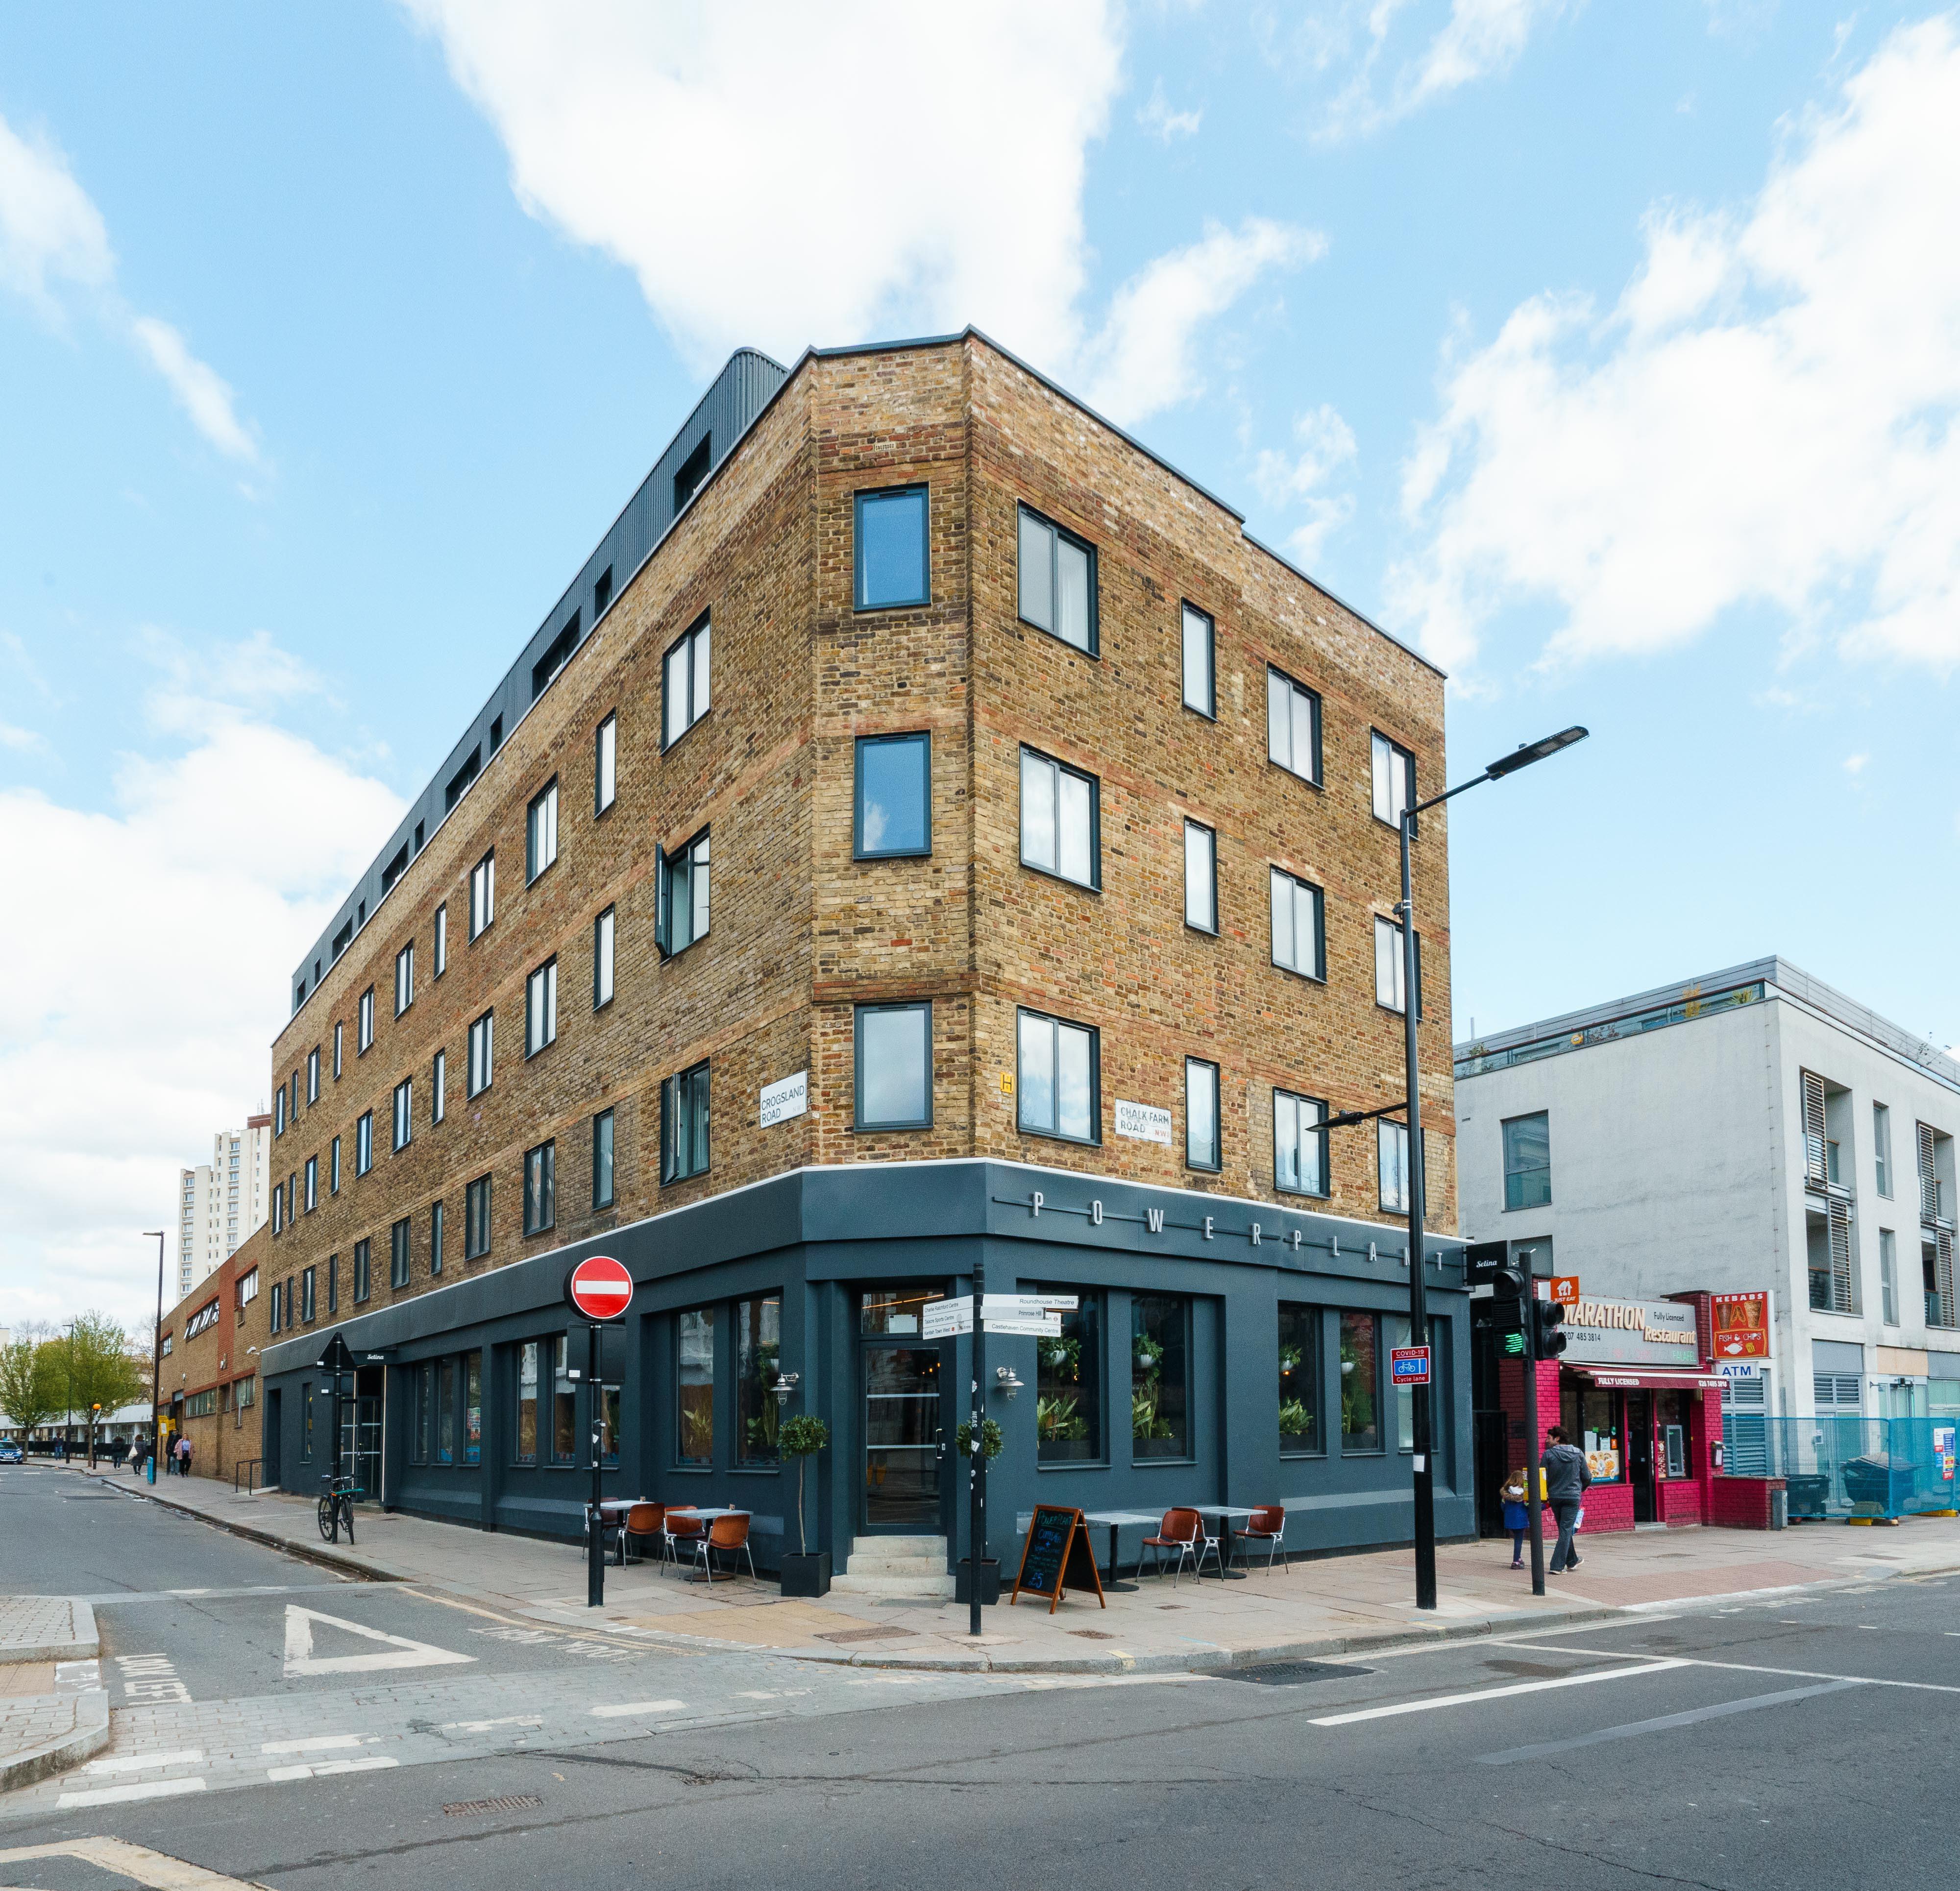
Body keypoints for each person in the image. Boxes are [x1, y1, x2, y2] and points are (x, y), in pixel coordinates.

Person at [1543, 1424, 1592, 1575]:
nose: (1546, 1440)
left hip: (1556, 1497)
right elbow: (1587, 1477)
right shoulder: (1578, 1453)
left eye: (1549, 1438)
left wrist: (1546, 1494)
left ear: (1557, 1439)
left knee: (1564, 1529)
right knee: (1565, 1530)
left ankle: (1569, 1562)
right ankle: (1559, 1566)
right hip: (1572, 1497)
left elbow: (1542, 1476)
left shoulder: (1548, 1455)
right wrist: (1580, 1489)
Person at [1500, 1468, 1530, 1569]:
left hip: (1509, 1520)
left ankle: (1519, 1558)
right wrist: (1547, 1505)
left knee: (1517, 1539)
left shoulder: (1506, 1495)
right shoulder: (1524, 1496)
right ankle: (1516, 1562)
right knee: (1518, 1540)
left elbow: (1503, 1506)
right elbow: (1529, 1507)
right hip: (1521, 1521)